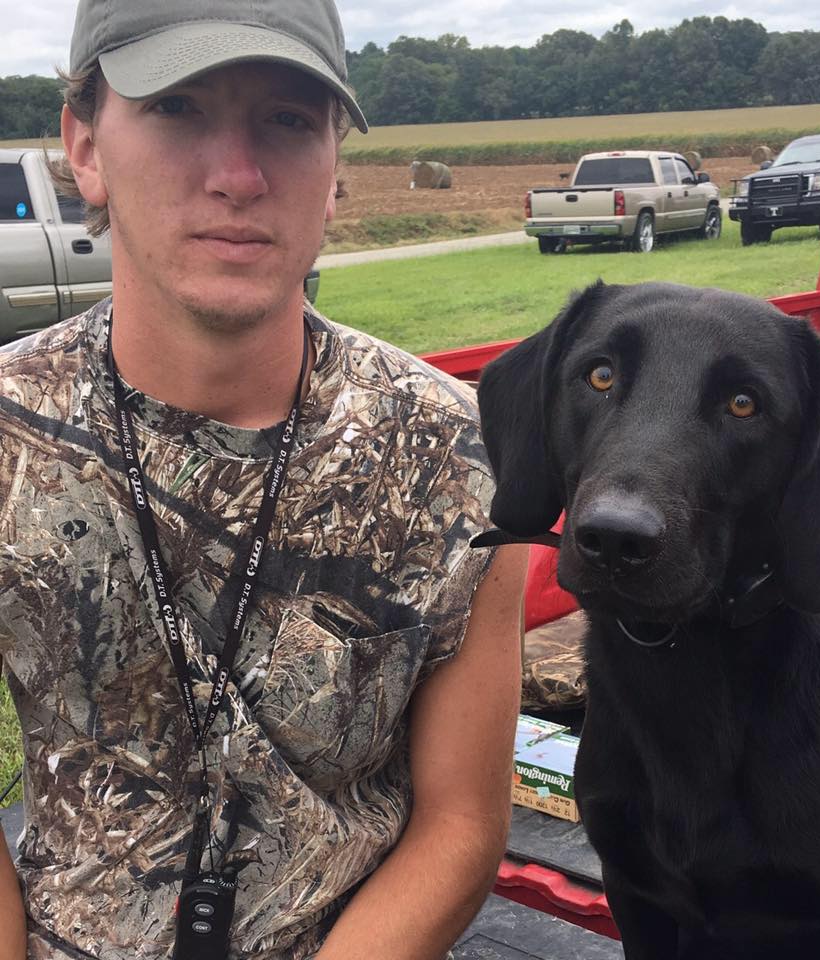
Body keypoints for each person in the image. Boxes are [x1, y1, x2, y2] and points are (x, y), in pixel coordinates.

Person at [0, 1, 525, 957]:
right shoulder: (10, 436)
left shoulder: (455, 455)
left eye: (288, 120)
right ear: (84, 146)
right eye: (178, 110)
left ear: (335, 171)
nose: (238, 176)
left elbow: (461, 825)